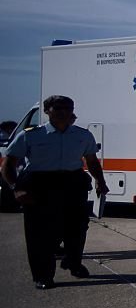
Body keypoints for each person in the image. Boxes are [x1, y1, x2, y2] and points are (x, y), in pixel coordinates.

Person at [0, 95, 108, 289]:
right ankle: (43, 276)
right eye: (58, 108)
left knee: (78, 228)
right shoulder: (30, 135)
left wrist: (100, 181)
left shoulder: (82, 135)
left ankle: (73, 262)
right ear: (47, 111)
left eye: (68, 108)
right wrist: (16, 189)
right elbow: (8, 165)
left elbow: (91, 161)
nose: (64, 112)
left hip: (72, 183)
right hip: (40, 185)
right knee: (40, 234)